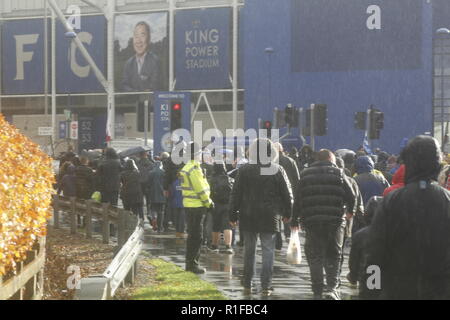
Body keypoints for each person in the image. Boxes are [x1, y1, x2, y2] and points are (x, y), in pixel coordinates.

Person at [367, 136, 450, 300]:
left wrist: (370, 291)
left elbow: (375, 254)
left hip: (398, 290)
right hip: (439, 290)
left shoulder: (391, 201)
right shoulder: (446, 201)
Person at [229, 139, 293, 297]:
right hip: (270, 215)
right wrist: (288, 214)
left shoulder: (244, 170)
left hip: (248, 214)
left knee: (249, 250)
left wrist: (232, 214)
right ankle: (266, 284)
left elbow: (235, 193)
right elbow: (288, 195)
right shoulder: (277, 169)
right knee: (268, 250)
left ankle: (247, 282)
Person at [292, 149, 358, 300]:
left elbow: (298, 199)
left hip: (311, 221)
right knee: (333, 255)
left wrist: (295, 220)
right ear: (330, 159)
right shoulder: (339, 173)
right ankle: (331, 288)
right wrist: (350, 211)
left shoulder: (305, 174)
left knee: (315, 256)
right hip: (334, 222)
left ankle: (317, 290)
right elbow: (351, 195)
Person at [180, 142, 214, 275]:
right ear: (196, 154)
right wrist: (209, 203)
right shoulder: (194, 168)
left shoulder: (188, 167)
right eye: (200, 153)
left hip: (190, 205)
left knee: (193, 236)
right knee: (196, 237)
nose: (201, 155)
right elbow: (201, 189)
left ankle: (190, 263)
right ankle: (193, 265)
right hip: (197, 206)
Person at [347, 196, 383, 300]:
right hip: (387, 280)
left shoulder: (360, 235)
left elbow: (354, 261)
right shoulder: (392, 234)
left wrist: (353, 276)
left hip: (366, 279)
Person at [122, 21, 162, 92]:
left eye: (142, 35)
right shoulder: (128, 63)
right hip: (132, 102)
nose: (139, 41)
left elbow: (154, 88)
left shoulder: (155, 61)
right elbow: (124, 86)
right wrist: (136, 93)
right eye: (136, 36)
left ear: (149, 39)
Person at [274, 142, 300, 245]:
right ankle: (288, 235)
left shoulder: (271, 162)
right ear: (282, 149)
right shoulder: (291, 161)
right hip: (289, 192)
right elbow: (297, 179)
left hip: (275, 193)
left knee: (276, 216)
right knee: (287, 214)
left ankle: (277, 237)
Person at [209, 160, 234, 254]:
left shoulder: (212, 179)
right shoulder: (229, 179)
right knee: (227, 226)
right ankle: (228, 246)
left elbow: (209, 193)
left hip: (216, 205)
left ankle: (215, 245)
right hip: (228, 205)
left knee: (216, 226)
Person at [147, 160, 166, 232]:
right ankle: (160, 227)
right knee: (161, 211)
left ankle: (154, 218)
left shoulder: (151, 173)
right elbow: (166, 183)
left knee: (153, 209)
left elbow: (148, 184)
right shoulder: (164, 172)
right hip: (162, 194)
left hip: (153, 194)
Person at [136, 151, 154, 219]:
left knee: (140, 200)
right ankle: (149, 213)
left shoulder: (137, 164)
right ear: (146, 155)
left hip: (140, 184)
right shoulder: (151, 164)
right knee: (149, 200)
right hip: (148, 184)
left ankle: (141, 216)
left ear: (140, 155)